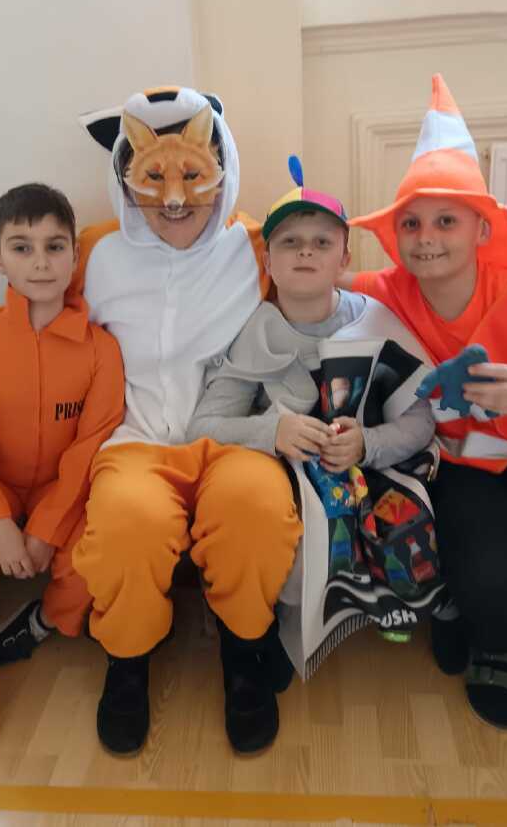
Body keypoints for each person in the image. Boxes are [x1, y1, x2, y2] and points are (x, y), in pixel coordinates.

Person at [71, 87, 303, 756]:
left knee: (256, 511)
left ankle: (244, 651)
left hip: (232, 437)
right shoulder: (96, 253)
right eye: (153, 180)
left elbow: (319, 282)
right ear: (126, 176)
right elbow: (37, 311)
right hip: (135, 440)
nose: (174, 200)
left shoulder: (254, 245)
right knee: (127, 525)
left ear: (221, 170)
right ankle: (127, 661)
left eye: (193, 178)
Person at [341, 74, 507, 730]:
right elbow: (322, 280)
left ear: (480, 228)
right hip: (468, 471)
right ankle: (495, 642)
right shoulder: (388, 291)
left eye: (445, 220)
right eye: (411, 223)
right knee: (485, 569)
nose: (426, 237)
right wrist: (257, 240)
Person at [187, 164, 440, 666]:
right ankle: (267, 630)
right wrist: (272, 430)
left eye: (322, 243)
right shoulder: (253, 331)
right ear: (268, 260)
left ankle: (420, 609)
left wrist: (368, 442)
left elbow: (420, 420)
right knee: (278, 533)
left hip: (368, 466)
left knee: (405, 518)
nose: (306, 252)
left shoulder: (376, 320)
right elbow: (204, 425)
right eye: (291, 242)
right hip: (285, 476)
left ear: (344, 258)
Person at [0, 183, 124, 763]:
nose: (40, 262)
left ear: (74, 256)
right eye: (21, 247)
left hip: (64, 491)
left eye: (54, 246)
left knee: (98, 555)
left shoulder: (101, 350)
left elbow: (90, 446)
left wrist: (46, 529)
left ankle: (42, 621)